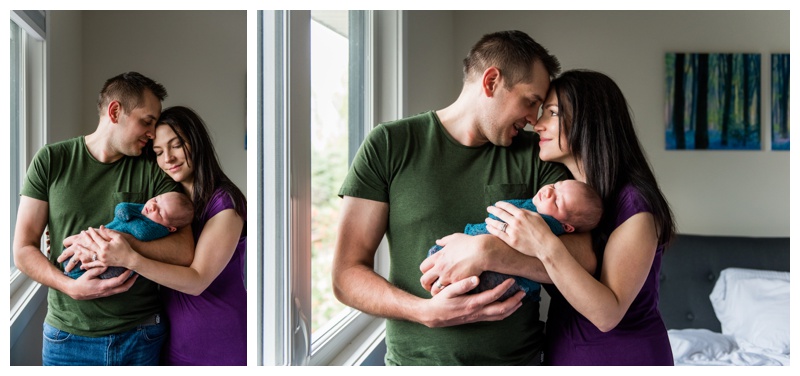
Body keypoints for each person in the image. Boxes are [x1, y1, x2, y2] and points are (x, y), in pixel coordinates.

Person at [333, 30, 596, 366]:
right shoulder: (389, 144)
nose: (534, 118)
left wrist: (486, 251)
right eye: (530, 101)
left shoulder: (537, 156)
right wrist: (424, 312)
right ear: (491, 82)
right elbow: (346, 275)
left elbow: (584, 256)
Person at [483, 69, 676, 365]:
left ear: (590, 121)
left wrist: (543, 243)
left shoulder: (635, 205)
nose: (536, 124)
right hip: (564, 353)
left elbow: (607, 315)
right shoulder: (565, 202)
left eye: (552, 112)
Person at [12, 72, 195, 366]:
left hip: (140, 333)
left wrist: (120, 246)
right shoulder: (51, 160)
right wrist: (69, 286)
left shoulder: (154, 168)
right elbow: (23, 249)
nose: (152, 133)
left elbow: (185, 251)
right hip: (67, 337)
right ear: (115, 111)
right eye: (146, 121)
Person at [80, 106, 247, 365]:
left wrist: (130, 258)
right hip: (172, 339)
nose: (167, 158)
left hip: (219, 342)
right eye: (158, 152)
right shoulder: (164, 205)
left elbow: (197, 281)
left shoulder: (225, 203)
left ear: (197, 142)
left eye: (176, 145)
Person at [427, 180, 602, 301]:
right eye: (555, 186)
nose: (548, 191)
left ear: (567, 227)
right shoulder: (540, 209)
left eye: (556, 201)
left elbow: (496, 215)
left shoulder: (545, 223)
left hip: (502, 280)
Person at [61, 191, 194, 280]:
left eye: (160, 212)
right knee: (73, 253)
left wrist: (130, 215)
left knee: (101, 269)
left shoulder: (159, 228)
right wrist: (129, 212)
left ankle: (73, 275)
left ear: (170, 228)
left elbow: (141, 233)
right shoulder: (146, 209)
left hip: (118, 264)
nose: (153, 206)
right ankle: (69, 274)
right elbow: (122, 207)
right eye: (156, 200)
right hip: (104, 240)